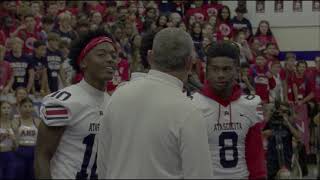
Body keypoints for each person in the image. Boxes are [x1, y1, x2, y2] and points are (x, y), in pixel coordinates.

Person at [98, 27, 213, 179]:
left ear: (150, 57)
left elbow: (103, 163)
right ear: (189, 63)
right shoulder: (189, 112)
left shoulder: (118, 96)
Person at [34, 29, 117, 179]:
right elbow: (42, 156)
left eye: (113, 55)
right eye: (101, 54)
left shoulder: (113, 103)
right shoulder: (63, 101)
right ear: (83, 61)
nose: (110, 59)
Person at [192, 41, 266, 179]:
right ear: (207, 71)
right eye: (215, 69)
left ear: (237, 71)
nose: (220, 74)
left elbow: (256, 157)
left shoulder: (250, 105)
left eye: (226, 69)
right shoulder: (193, 104)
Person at [12, 97, 40, 180]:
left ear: (33, 108)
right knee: (19, 175)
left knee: (32, 176)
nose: (28, 109)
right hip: (19, 151)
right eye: (25, 106)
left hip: (34, 151)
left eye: (30, 106)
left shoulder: (37, 121)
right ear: (19, 108)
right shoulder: (15, 121)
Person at [0, 101, 18, 179]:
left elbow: (16, 147)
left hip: (10, 155)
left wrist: (14, 140)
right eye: (4, 108)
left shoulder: (13, 124)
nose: (6, 110)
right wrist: (1, 138)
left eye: (8, 108)